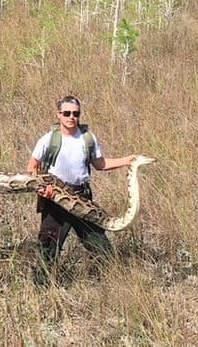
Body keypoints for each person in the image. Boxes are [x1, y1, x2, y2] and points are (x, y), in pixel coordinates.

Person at [26, 95, 136, 286]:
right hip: (55, 200)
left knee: (100, 245)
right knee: (48, 248)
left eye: (75, 114)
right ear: (58, 114)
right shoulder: (49, 139)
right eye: (67, 113)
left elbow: (100, 164)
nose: (71, 117)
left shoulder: (87, 138)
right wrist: (44, 189)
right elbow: (32, 167)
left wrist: (127, 160)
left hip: (82, 198)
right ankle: (42, 291)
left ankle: (113, 285)